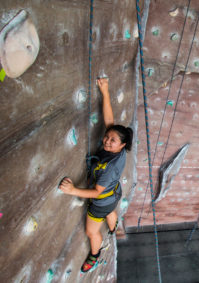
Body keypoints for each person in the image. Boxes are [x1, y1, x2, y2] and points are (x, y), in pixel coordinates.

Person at [59, 78, 133, 273]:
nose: (107, 141)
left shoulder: (110, 168)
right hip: (114, 193)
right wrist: (105, 91)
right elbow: (109, 121)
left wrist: (73, 189)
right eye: (107, 137)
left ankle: (95, 255)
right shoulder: (120, 149)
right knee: (111, 210)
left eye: (113, 140)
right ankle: (113, 228)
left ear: (122, 144)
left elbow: (94, 193)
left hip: (101, 200)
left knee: (91, 231)